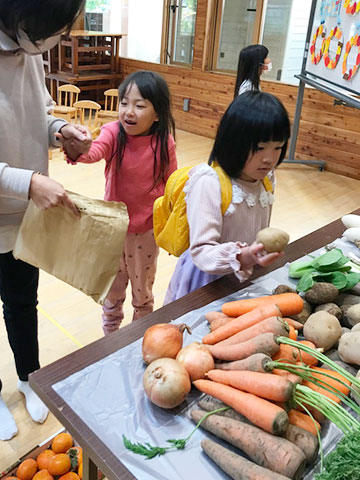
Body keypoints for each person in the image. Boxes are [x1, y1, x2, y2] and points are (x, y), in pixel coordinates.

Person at [0, 0, 92, 441]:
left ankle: (28, 378)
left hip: (24, 216)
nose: (52, 40)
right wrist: (30, 181)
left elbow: (37, 114)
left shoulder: (30, 50)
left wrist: (58, 131)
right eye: (49, 29)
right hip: (18, 199)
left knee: (22, 304)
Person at [60, 71, 178, 335]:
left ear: (157, 113)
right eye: (124, 103)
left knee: (142, 294)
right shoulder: (114, 132)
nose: (129, 111)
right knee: (112, 292)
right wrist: (79, 147)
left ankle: (138, 339)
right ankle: (110, 339)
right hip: (112, 229)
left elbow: (173, 185)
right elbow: (95, 151)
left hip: (145, 232)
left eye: (139, 105)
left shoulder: (164, 142)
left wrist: (173, 224)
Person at [164, 90, 290, 304]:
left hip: (246, 275)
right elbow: (202, 252)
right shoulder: (209, 182)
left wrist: (255, 254)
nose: (269, 159)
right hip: (207, 282)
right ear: (233, 142)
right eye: (259, 148)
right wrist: (241, 256)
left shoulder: (267, 178)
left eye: (277, 148)